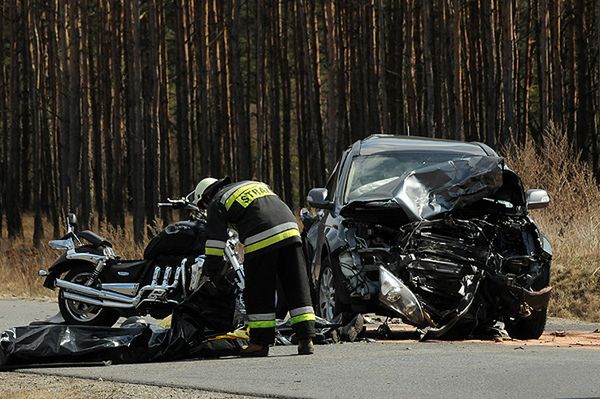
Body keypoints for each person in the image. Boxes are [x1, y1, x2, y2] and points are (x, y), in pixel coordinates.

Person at [194, 177, 316, 356]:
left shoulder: (217, 201)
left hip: (261, 234)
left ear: (205, 197)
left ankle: (259, 343)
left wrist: (212, 273)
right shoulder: (253, 184)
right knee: (295, 284)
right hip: (291, 228)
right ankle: (306, 339)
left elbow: (215, 243)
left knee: (259, 290)